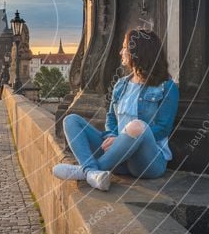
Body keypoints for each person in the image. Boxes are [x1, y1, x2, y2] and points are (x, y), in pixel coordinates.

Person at [53, 29, 179, 191]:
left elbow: (163, 128)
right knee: (71, 120)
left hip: (146, 162)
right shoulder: (121, 84)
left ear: (138, 51)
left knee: (137, 126)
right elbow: (111, 118)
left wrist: (120, 139)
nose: (121, 52)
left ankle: (86, 171)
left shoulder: (166, 87)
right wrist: (112, 135)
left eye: (125, 47)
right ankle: (93, 172)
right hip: (117, 158)